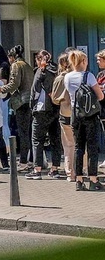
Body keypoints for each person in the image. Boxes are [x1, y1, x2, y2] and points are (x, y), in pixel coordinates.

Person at [64, 50, 104, 191]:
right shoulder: (89, 76)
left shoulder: (67, 77)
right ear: (83, 62)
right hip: (90, 115)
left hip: (76, 115)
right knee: (92, 147)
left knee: (78, 147)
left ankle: (79, 180)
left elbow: (68, 97)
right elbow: (100, 96)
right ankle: (93, 179)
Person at [0, 45, 35, 171]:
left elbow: (14, 83)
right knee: (28, 133)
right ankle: (30, 160)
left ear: (11, 57)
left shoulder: (16, 65)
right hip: (29, 101)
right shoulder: (27, 65)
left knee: (23, 133)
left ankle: (23, 161)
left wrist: (1, 89)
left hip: (21, 102)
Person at [26, 50, 62, 180]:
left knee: (37, 140)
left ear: (39, 59)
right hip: (56, 108)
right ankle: (55, 168)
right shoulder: (56, 70)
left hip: (41, 109)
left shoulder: (41, 71)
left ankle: (37, 169)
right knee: (55, 139)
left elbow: (35, 89)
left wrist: (32, 106)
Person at [51, 53, 81, 182]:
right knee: (80, 143)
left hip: (65, 113)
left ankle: (70, 172)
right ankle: (82, 169)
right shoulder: (80, 76)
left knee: (68, 144)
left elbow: (55, 98)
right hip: (79, 113)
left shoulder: (60, 79)